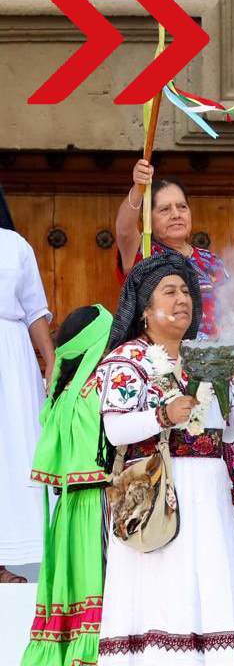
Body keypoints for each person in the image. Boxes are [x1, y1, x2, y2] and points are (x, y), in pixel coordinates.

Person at [94, 252, 234, 664]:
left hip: (207, 494)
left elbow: (222, 426)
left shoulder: (206, 357)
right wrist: (161, 415)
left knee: (210, 585)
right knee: (161, 591)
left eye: (187, 291)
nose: (182, 299)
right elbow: (115, 430)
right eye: (169, 292)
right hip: (156, 493)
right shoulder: (126, 360)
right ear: (145, 310)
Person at [22, 306, 112, 666]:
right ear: (98, 345)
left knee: (73, 596)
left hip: (68, 512)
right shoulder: (100, 389)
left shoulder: (61, 396)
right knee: (98, 590)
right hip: (100, 506)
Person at [116, 160, 229, 339]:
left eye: (182, 207)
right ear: (148, 219)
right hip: (160, 360)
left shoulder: (212, 261)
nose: (176, 214)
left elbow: (231, 313)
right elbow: (124, 231)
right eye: (165, 209)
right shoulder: (144, 254)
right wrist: (138, 187)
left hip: (212, 359)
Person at [0, 220, 55, 584]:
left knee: (12, 456)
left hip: (11, 358)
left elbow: (34, 309)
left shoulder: (14, 244)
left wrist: (51, 362)